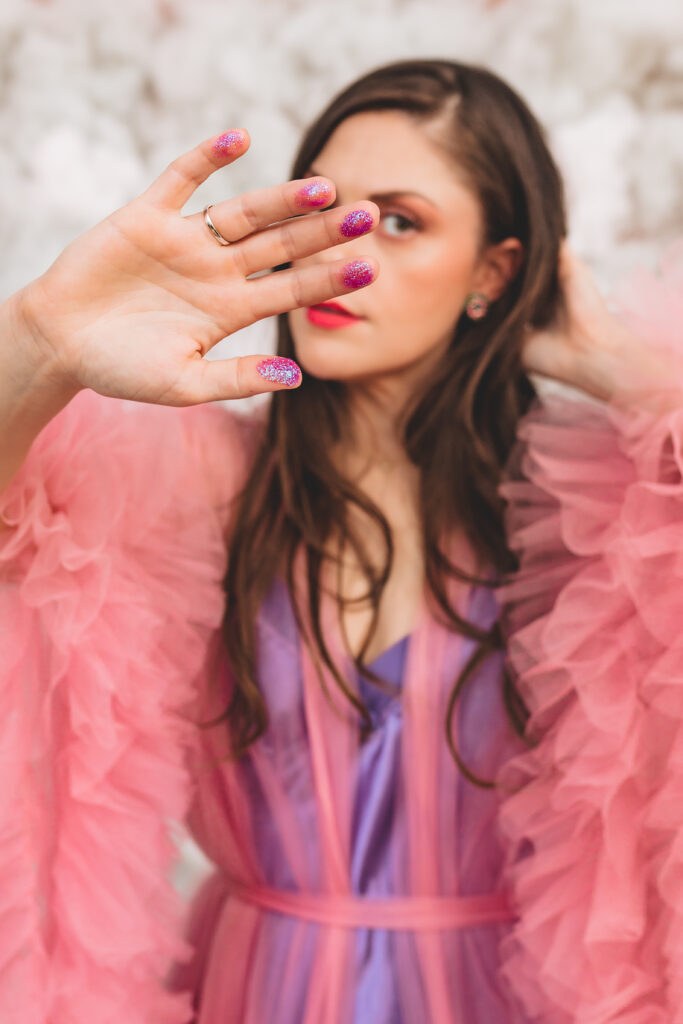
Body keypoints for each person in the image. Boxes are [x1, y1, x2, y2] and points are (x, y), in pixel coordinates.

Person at [1, 57, 682, 1024]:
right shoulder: (206, 478)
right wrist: (40, 337)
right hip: (252, 993)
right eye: (324, 209)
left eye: (399, 221)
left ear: (493, 270)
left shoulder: (585, 509)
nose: (344, 248)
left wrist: (630, 372)